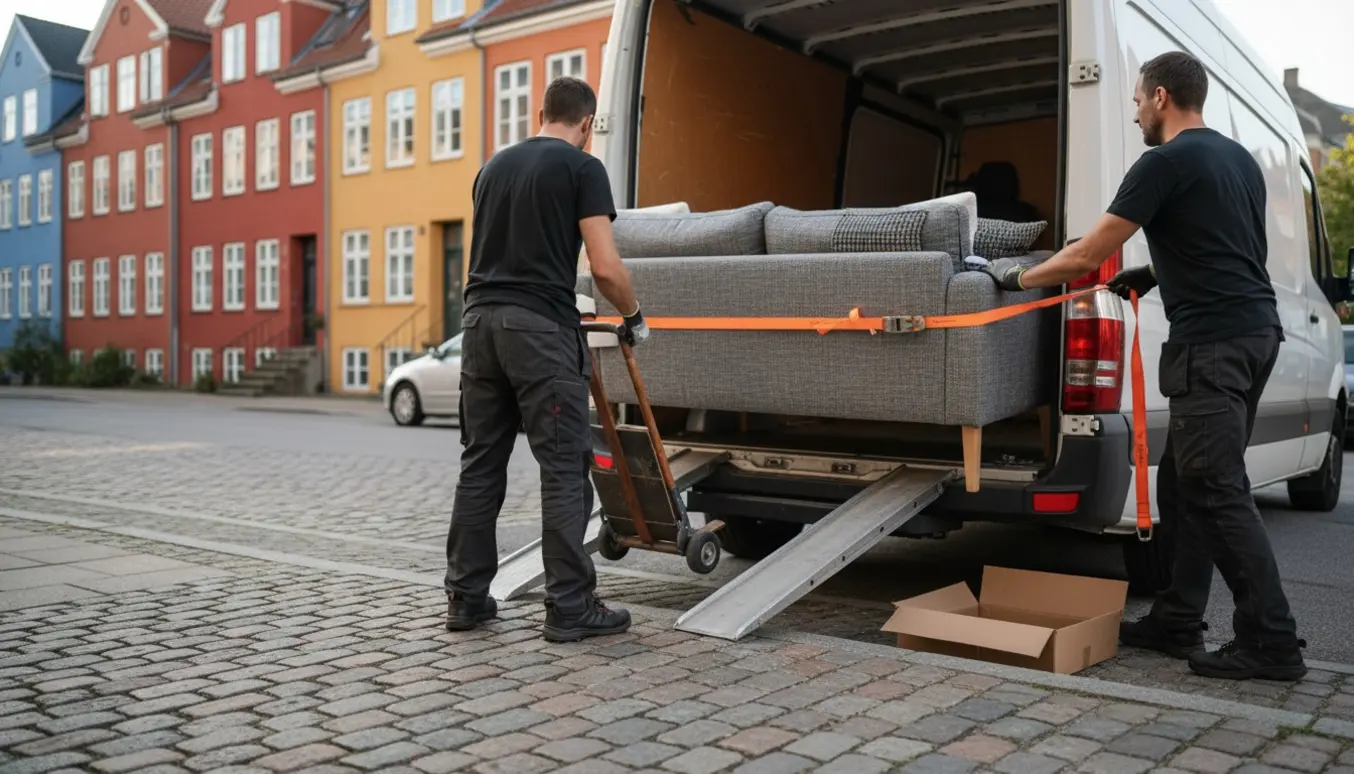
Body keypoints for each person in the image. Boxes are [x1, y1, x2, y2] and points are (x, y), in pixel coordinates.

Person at [982, 51, 1307, 681]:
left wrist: (1017, 277)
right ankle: (1177, 618)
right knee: (1183, 483)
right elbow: (1229, 247)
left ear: (1161, 97)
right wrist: (1155, 274)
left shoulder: (1163, 162)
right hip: (1254, 335)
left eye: (1136, 101)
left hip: (1213, 343)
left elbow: (1087, 255)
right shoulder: (1239, 160)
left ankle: (1272, 641)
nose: (1135, 114)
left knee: (1215, 488)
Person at [444, 76, 650, 643]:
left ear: (540, 114)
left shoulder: (491, 169)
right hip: (539, 330)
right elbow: (604, 267)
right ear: (586, 124)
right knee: (562, 467)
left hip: (478, 326)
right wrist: (634, 316)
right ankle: (570, 606)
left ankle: (466, 597)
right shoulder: (583, 168)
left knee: (480, 463)